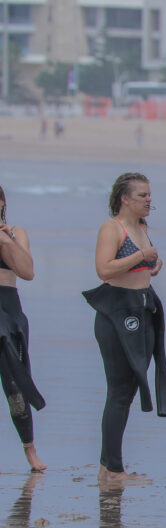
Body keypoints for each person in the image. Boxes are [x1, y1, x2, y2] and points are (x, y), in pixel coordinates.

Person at [83, 173, 166, 487]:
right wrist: (139, 256)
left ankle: (108, 468)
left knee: (128, 390)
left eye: (149, 194)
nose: (149, 200)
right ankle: (114, 470)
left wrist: (151, 266)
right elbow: (104, 269)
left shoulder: (142, 227)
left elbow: (138, 266)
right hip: (116, 312)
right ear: (125, 199)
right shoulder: (112, 228)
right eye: (142, 195)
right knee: (119, 391)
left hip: (142, 306)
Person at [0, 185, 46, 473]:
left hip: (9, 309)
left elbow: (28, 272)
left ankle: (29, 449)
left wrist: (5, 242)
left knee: (15, 381)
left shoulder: (16, 233)